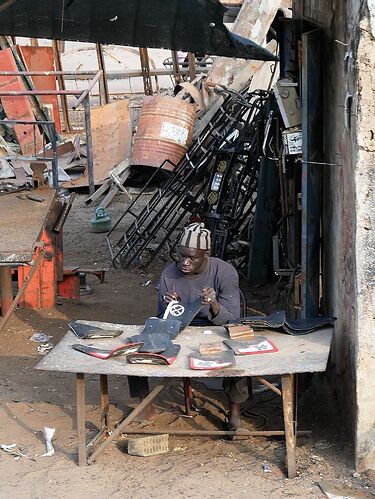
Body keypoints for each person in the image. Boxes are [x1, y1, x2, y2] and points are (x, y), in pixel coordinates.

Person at [127, 222, 249, 428]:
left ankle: (234, 409)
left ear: (206, 254)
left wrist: (213, 303)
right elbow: (163, 320)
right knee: (137, 346)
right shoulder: (169, 274)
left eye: (192, 258)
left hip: (217, 329)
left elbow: (232, 320)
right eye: (181, 255)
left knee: (235, 352)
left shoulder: (225, 272)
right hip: (182, 329)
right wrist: (169, 307)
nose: (185, 262)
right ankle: (145, 402)